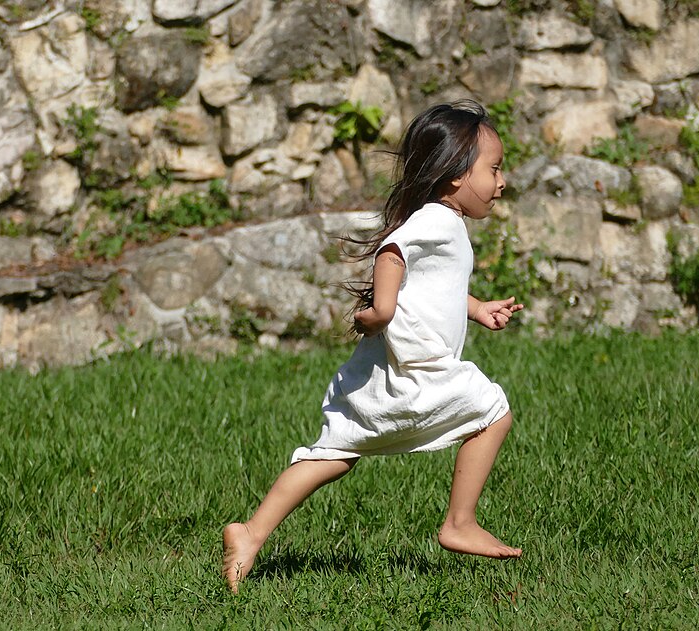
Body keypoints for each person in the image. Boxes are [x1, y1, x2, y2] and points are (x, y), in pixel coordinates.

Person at [222, 100, 523, 594]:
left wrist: (477, 308)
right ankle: (459, 523)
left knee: (334, 455)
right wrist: (382, 310)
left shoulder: (444, 222)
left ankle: (251, 533)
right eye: (493, 169)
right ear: (454, 177)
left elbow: (432, 286)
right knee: (494, 410)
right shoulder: (438, 221)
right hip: (417, 373)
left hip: (384, 378)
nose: (502, 181)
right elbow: (392, 252)